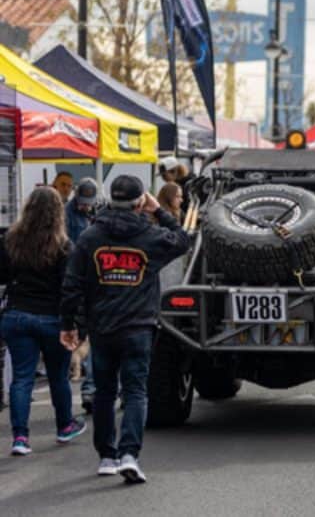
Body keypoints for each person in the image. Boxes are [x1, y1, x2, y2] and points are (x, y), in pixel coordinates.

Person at [60, 175, 190, 483]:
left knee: (104, 393)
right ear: (139, 202)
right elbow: (183, 239)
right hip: (138, 327)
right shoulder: (151, 235)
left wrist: (69, 325)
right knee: (134, 392)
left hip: (102, 327)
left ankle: (107, 456)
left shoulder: (91, 237)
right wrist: (159, 211)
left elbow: (72, 284)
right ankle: (129, 454)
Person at [0, 187, 87, 456]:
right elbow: (69, 289)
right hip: (51, 318)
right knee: (58, 377)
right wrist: (73, 325)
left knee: (22, 378)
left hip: (16, 316)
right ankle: (64, 427)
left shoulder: (10, 240)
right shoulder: (63, 245)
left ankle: (20, 438)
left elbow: (2, 276)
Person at [65, 177, 102, 414]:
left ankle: (91, 389)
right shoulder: (66, 215)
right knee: (85, 335)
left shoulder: (96, 213)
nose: (85, 206)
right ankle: (88, 388)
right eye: (82, 202)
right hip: (77, 281)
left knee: (94, 338)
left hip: (92, 282)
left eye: (89, 203)